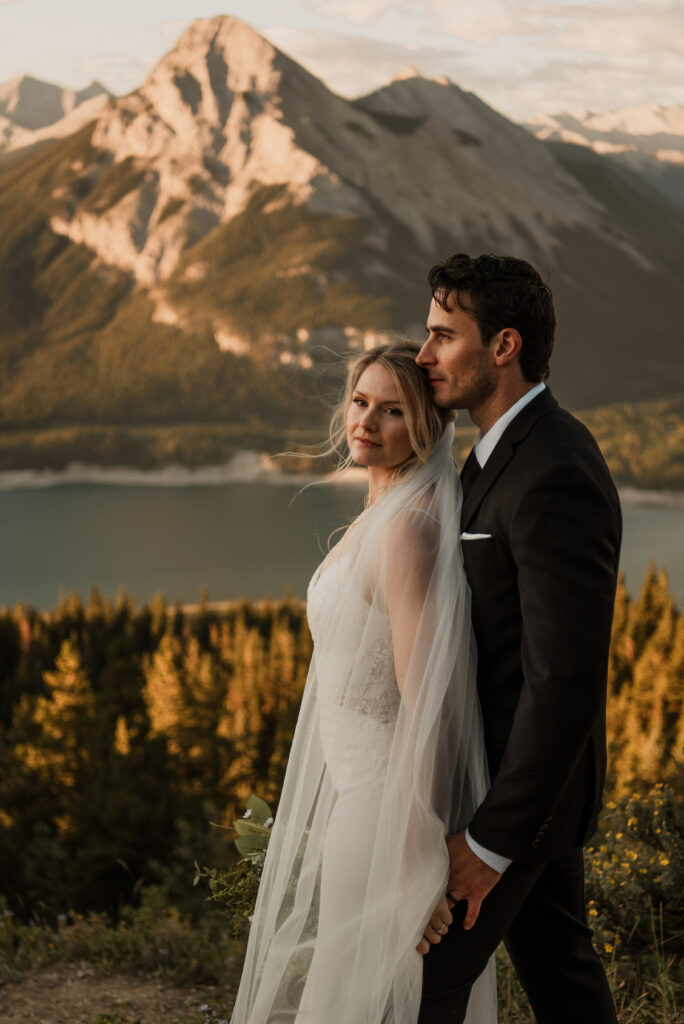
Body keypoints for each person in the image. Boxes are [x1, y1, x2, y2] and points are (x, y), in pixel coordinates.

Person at [230, 343, 497, 1024]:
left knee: (355, 995)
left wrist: (415, 862)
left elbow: (428, 708)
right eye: (360, 402)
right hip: (354, 799)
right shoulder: (374, 519)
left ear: (427, 427)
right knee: (344, 989)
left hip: (386, 809)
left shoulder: (406, 533)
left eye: (393, 410)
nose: (368, 422)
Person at [415, 253, 622, 1023]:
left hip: (510, 806)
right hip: (521, 796)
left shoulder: (554, 470)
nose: (423, 354)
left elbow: (563, 679)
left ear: (503, 346)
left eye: (443, 336)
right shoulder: (499, 453)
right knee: (564, 979)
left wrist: (490, 841)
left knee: (416, 990)